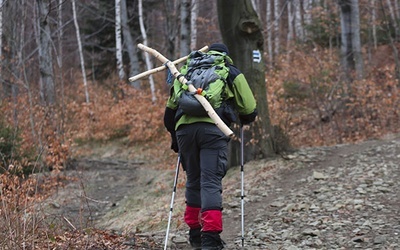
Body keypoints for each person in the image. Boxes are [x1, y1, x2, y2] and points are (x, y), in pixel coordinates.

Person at [163, 43, 257, 249]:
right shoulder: (230, 71)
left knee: (194, 180)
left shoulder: (187, 70)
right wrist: (241, 115)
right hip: (214, 130)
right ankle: (211, 239)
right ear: (225, 55)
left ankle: (195, 234)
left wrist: (175, 138)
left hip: (185, 132)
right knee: (210, 182)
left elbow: (169, 112)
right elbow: (249, 109)